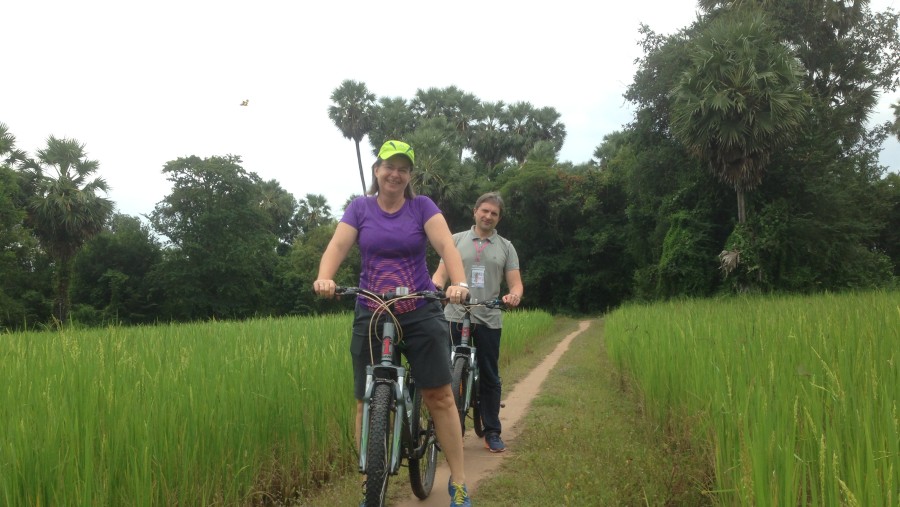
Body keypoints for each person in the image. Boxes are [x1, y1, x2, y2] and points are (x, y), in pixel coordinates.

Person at [313, 140, 474, 507]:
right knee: (363, 399)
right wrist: (325, 277)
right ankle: (370, 479)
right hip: (371, 307)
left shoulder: (421, 207)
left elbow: (447, 247)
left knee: (440, 396)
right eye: (389, 166)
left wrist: (459, 284)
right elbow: (337, 247)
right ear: (376, 170)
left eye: (403, 168)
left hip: (418, 306)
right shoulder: (360, 208)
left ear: (409, 175)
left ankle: (460, 482)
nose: (395, 173)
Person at [431, 191, 523, 453]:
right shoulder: (456, 240)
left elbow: (515, 284)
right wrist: (434, 289)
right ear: (475, 211)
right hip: (455, 315)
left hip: (489, 316)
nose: (488, 216)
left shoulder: (506, 247)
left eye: (494, 213)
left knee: (490, 375)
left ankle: (492, 430)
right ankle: (447, 432)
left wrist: (513, 296)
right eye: (484, 210)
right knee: (447, 374)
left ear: (499, 218)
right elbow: (440, 275)